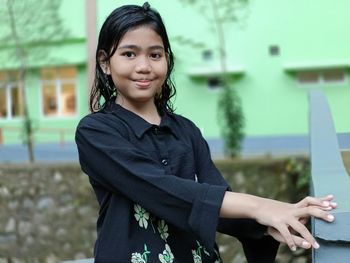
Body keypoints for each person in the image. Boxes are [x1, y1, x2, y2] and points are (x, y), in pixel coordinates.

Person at [75, 2, 336, 262]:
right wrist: (261, 206)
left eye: (155, 55)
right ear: (105, 63)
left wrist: (269, 222)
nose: (144, 66)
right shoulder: (96, 132)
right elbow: (161, 189)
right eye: (129, 54)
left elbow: (217, 199)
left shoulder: (186, 130)